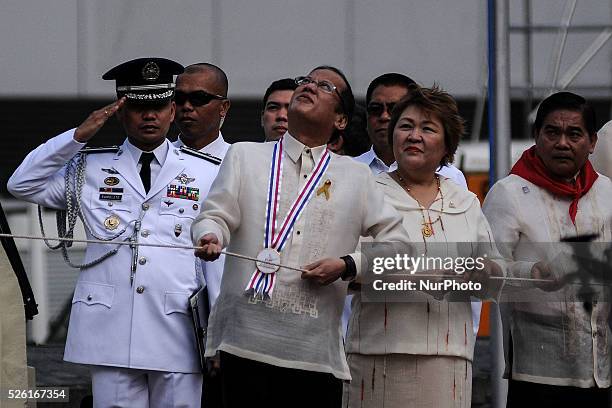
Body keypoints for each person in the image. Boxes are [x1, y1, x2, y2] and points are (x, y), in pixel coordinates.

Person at [191, 66, 410, 408]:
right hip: (243, 339)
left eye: (324, 86)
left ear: (340, 119)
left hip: (313, 351)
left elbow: (400, 247)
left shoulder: (356, 176)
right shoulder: (246, 155)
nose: (309, 86)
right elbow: (216, 214)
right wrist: (210, 236)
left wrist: (347, 265)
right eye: (305, 81)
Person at [8, 58, 219, 408]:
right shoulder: (89, 166)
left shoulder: (206, 171)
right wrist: (77, 137)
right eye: (138, 107)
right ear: (120, 112)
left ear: (171, 110)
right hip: (111, 328)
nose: (149, 115)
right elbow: (21, 183)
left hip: (178, 325)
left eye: (157, 106)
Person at [343, 85, 502, 408]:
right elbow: (345, 266)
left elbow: (493, 275)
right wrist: (427, 273)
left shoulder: (466, 200)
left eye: (427, 128)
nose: (414, 135)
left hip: (450, 358)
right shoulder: (364, 190)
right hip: (379, 356)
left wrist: (492, 271)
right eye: (406, 126)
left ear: (447, 145)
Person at [483, 91, 612, 407]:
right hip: (537, 373)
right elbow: (484, 269)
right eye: (552, 132)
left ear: (592, 142)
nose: (563, 143)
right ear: (536, 136)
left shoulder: (607, 192)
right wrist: (534, 273)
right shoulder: (509, 193)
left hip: (601, 371)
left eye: (574, 134)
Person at [346, 73, 481, 338]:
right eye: (376, 109)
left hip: (445, 336)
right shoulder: (350, 173)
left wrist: (469, 335)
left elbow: (473, 267)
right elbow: (347, 262)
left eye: (393, 109)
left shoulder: (454, 183)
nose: (384, 116)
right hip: (369, 335)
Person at [173, 62, 230, 408]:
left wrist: (220, 335)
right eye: (179, 98)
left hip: (220, 330)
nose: (186, 107)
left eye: (199, 98)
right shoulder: (159, 162)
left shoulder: (240, 164)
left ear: (223, 108)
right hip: (167, 323)